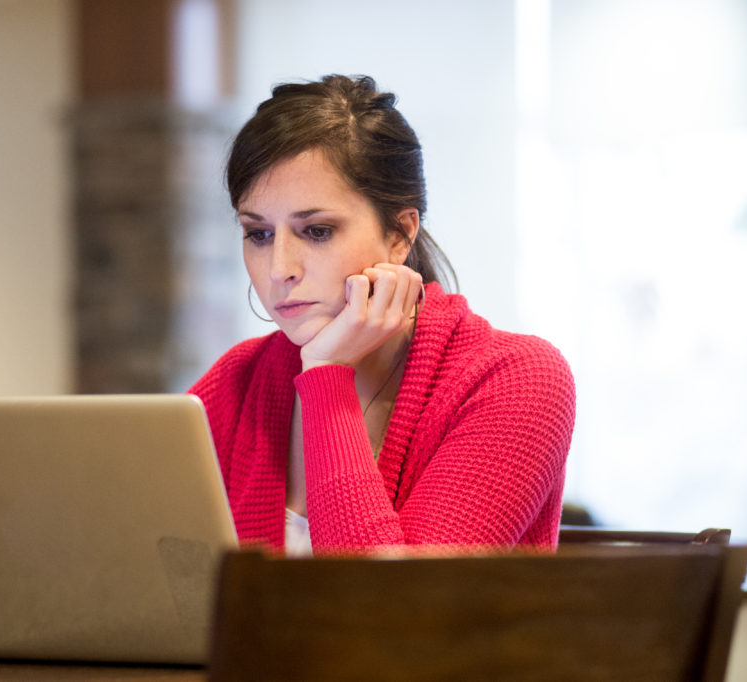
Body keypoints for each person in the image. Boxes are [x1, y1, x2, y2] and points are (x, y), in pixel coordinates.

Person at [189, 75, 575, 556]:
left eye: (318, 231)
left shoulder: (516, 379)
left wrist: (328, 376)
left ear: (400, 233)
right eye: (259, 234)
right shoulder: (236, 383)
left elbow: (393, 612)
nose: (279, 269)